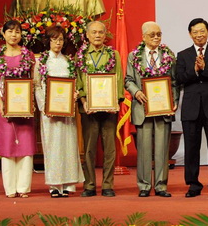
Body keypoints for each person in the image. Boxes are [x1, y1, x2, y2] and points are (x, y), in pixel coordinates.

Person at [176, 18, 208, 197]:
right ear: (190, 34)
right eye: (195, 32)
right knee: (191, 148)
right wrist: (196, 70)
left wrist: (205, 69)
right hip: (191, 108)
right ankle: (193, 185)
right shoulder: (183, 55)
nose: (199, 35)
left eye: (202, 31)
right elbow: (180, 78)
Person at [125, 21, 178, 198]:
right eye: (152, 34)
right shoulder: (134, 56)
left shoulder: (168, 55)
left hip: (163, 109)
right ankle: (144, 185)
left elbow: (175, 82)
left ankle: (161, 185)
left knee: (163, 148)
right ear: (143, 37)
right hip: (142, 107)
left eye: (159, 34)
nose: (156, 37)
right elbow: (128, 80)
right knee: (144, 149)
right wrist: (136, 91)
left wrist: (174, 100)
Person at [33, 26, 84, 197]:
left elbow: (73, 83)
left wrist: (74, 94)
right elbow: (37, 86)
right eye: (54, 39)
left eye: (61, 39)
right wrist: (44, 107)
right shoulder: (41, 62)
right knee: (53, 146)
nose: (58, 43)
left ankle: (69, 183)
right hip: (50, 112)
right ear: (48, 41)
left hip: (66, 111)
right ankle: (54, 185)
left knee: (68, 144)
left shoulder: (68, 61)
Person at [76, 21, 124, 197]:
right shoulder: (80, 55)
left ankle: (107, 185)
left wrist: (116, 101)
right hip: (88, 108)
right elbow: (78, 80)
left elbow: (119, 78)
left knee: (109, 148)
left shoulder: (113, 54)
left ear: (106, 35)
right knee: (89, 148)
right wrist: (83, 101)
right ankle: (89, 185)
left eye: (101, 32)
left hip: (109, 108)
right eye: (94, 32)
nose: (97, 35)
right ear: (87, 35)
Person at [0, 20, 36, 198]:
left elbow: (33, 81)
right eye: (10, 32)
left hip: (24, 108)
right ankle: (10, 189)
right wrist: (1, 104)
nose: (14, 35)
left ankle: (23, 188)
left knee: (25, 144)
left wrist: (29, 102)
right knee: (7, 146)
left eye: (17, 32)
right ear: (3, 33)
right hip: (4, 107)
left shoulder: (28, 55)